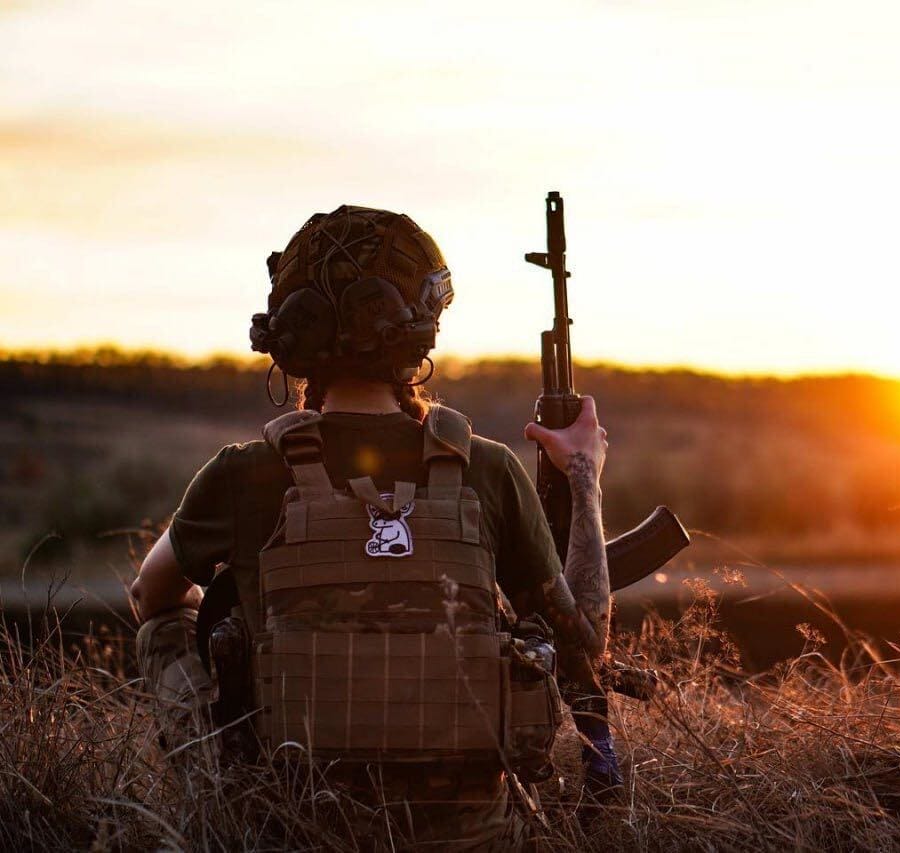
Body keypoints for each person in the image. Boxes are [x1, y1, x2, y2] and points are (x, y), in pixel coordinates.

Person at [130, 205, 620, 848]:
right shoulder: (487, 469)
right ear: (418, 331)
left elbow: (151, 594)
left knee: (168, 625)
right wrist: (583, 476)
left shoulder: (242, 473)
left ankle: (224, 808)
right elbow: (586, 646)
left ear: (289, 335)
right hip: (473, 843)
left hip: (287, 832)